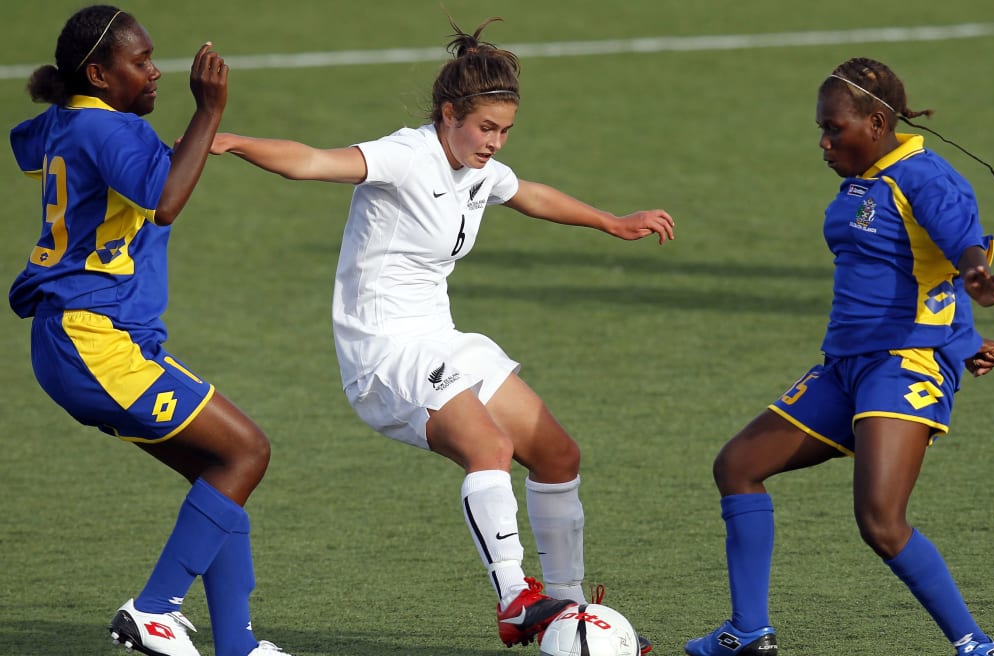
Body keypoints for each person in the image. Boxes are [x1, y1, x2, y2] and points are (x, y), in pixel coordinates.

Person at [207, 17, 673, 651]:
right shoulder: (406, 156)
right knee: (490, 448)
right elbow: (312, 162)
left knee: (558, 455)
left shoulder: (478, 168)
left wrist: (611, 221)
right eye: (486, 128)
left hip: (442, 340)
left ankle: (567, 609)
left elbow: (528, 194)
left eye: (505, 131)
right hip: (385, 355)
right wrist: (231, 140)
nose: (495, 143)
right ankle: (515, 599)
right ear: (449, 114)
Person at [683, 57, 994, 656]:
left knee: (881, 522)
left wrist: (978, 281)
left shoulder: (925, 179)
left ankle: (976, 646)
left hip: (903, 365)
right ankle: (748, 631)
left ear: (877, 123)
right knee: (737, 466)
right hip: (845, 366)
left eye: (834, 129)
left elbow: (960, 250)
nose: (824, 142)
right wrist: (968, 339)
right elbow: (923, 269)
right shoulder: (867, 179)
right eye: (822, 128)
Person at [8, 6, 289, 656]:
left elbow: (28, 142)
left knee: (220, 473)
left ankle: (238, 645)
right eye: (140, 62)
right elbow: (165, 202)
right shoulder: (110, 131)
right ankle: (154, 609)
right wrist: (208, 110)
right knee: (247, 452)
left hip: (77, 342)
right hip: (93, 341)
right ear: (99, 75)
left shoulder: (68, 120)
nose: (156, 71)